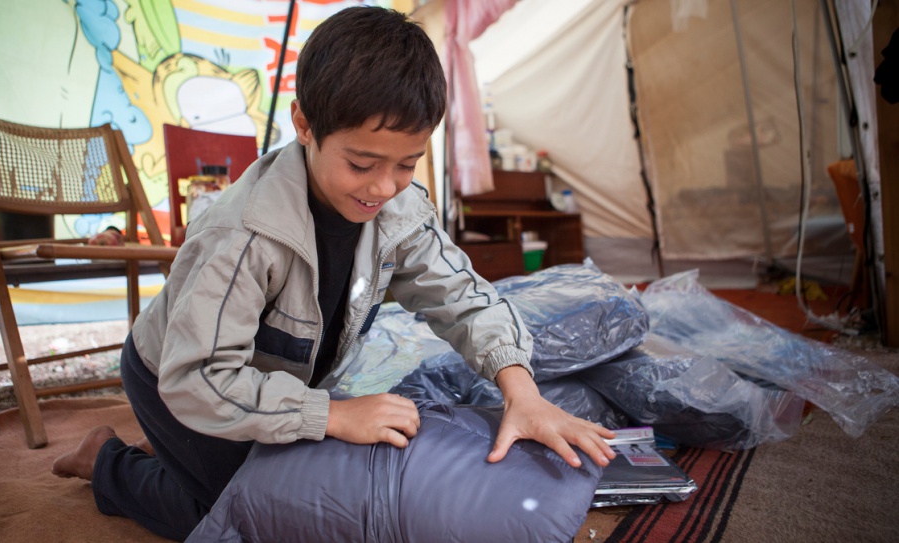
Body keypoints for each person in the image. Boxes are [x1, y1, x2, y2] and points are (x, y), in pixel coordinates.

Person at [52, 6, 616, 540]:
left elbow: (465, 299)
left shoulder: (399, 210)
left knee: (291, 484)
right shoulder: (242, 235)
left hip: (272, 384)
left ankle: (183, 451)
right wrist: (331, 415)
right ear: (303, 123)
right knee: (243, 511)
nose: (382, 187)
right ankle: (105, 461)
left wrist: (522, 390)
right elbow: (198, 379)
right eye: (361, 164)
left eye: (406, 163)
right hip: (176, 378)